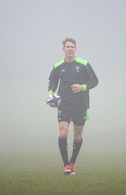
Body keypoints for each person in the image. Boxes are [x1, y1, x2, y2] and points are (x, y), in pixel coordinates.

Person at [47, 37, 99, 175]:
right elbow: (52, 82)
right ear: (63, 49)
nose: (70, 49)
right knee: (63, 133)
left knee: (77, 137)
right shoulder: (57, 66)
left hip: (81, 104)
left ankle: (73, 162)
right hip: (63, 104)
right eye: (67, 46)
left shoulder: (84, 64)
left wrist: (82, 87)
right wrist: (49, 93)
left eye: (72, 47)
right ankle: (66, 165)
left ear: (75, 49)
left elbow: (95, 80)